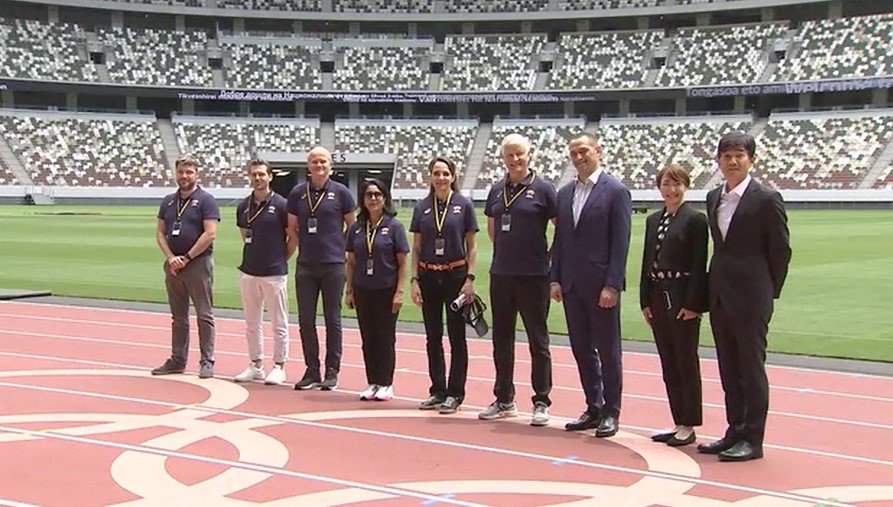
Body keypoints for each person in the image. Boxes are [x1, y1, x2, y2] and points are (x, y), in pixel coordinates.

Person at [697, 131, 791, 462]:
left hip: (752, 297)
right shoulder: (712, 198)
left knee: (751, 369)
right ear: (718, 161)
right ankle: (734, 430)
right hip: (720, 295)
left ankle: (753, 438)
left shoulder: (766, 198)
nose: (732, 161)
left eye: (739, 155)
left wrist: (766, 291)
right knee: (728, 369)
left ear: (751, 159)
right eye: (726, 156)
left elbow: (780, 250)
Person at [549, 132, 631, 438]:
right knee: (581, 348)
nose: (579, 157)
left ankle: (612, 411)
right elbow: (561, 239)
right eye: (573, 153)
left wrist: (613, 285)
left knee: (609, 351)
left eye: (584, 151)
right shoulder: (565, 193)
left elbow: (620, 243)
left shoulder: (615, 191)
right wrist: (555, 277)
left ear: (598, 151)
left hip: (601, 287)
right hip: (571, 284)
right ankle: (593, 406)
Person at [479, 134, 557, 427]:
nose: (515, 160)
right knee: (502, 339)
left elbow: (561, 228)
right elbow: (492, 227)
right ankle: (504, 399)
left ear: (529, 154)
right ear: (503, 158)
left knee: (538, 340)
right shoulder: (497, 190)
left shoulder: (544, 189)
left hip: (534, 276)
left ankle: (541, 401)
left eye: (519, 154)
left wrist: (548, 256)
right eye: (509, 155)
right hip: (501, 275)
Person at [639, 164, 708, 446]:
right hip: (657, 293)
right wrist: (645, 300)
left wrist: (693, 303)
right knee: (668, 361)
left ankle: (689, 423)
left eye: (678, 184)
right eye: (667, 184)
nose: (672, 189)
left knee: (685, 361)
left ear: (686, 186)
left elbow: (699, 263)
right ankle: (677, 420)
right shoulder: (653, 219)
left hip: (681, 294)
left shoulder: (695, 220)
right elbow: (647, 261)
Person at [409, 156, 479, 414]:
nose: (440, 178)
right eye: (436, 173)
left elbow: (472, 247)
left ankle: (455, 393)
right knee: (432, 336)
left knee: (457, 336)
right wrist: (414, 281)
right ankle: (437, 390)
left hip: (455, 275)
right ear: (430, 176)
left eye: (445, 173)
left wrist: (469, 279)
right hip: (428, 276)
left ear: (453, 176)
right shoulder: (421, 207)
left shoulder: (464, 205)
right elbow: (416, 248)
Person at [287, 147, 356, 391]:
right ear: (308, 166)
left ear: (330, 166)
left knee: (332, 319)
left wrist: (339, 245)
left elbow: (353, 226)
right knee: (306, 319)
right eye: (314, 162)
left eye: (323, 161)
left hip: (334, 264)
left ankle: (332, 370)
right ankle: (311, 369)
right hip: (306, 265)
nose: (319, 165)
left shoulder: (341, 192)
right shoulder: (297, 193)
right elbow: (292, 227)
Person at [152, 155, 220, 379]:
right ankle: (177, 359)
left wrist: (187, 257)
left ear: (196, 174)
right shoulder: (169, 201)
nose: (184, 176)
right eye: (181, 172)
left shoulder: (206, 200)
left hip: (198, 264)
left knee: (204, 314)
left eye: (189, 172)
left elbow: (210, 233)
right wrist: (171, 257)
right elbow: (160, 233)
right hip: (173, 266)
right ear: (176, 173)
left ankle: (206, 361)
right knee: (178, 316)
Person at [345, 179, 409, 402]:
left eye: (377, 195)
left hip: (386, 289)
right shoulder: (356, 227)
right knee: (368, 337)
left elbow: (402, 263)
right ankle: (372, 381)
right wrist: (349, 290)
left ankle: (386, 383)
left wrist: (399, 292)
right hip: (363, 289)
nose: (373, 199)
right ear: (362, 200)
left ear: (385, 198)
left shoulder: (394, 227)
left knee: (385, 337)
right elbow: (351, 261)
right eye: (369, 195)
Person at [233, 159, 295, 385]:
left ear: (270, 177)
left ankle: (279, 365)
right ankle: (255, 364)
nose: (258, 178)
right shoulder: (243, 206)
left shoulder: (282, 205)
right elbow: (245, 235)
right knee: (252, 322)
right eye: (254, 174)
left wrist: (279, 259)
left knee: (279, 321)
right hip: (249, 270)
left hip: (274, 272)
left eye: (261, 174)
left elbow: (292, 238)